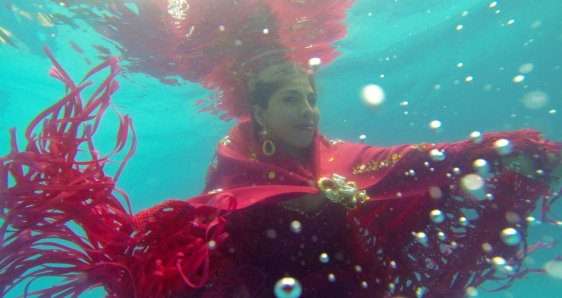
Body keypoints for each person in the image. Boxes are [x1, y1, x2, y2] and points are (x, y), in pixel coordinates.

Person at [2, 46, 561, 298]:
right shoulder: (236, 162)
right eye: (293, 100)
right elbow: (229, 206)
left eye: (312, 99)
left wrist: (497, 147)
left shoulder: (335, 155)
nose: (309, 111)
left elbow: (416, 161)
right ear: (261, 112)